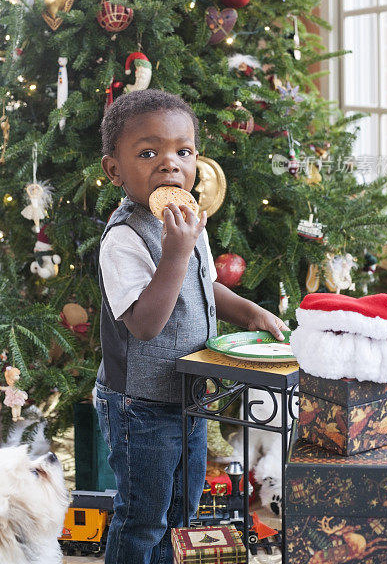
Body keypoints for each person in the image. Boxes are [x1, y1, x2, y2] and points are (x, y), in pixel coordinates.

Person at [95, 89, 289, 564]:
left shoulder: (186, 221)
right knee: (144, 515)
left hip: (188, 396)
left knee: (183, 508)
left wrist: (248, 311)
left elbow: (202, 288)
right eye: (148, 153)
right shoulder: (124, 239)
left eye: (182, 151)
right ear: (114, 170)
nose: (169, 164)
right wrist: (177, 252)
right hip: (139, 405)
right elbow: (144, 324)